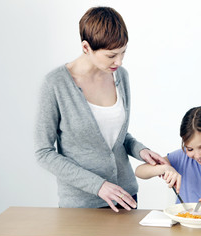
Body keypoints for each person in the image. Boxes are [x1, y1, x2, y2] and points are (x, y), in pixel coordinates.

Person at [34, 6, 166, 212]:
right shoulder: (55, 84)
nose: (119, 61)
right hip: (81, 205)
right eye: (111, 55)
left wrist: (141, 151)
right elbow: (44, 152)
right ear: (86, 47)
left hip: (125, 197)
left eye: (123, 52)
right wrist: (98, 186)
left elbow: (116, 137)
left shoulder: (121, 76)